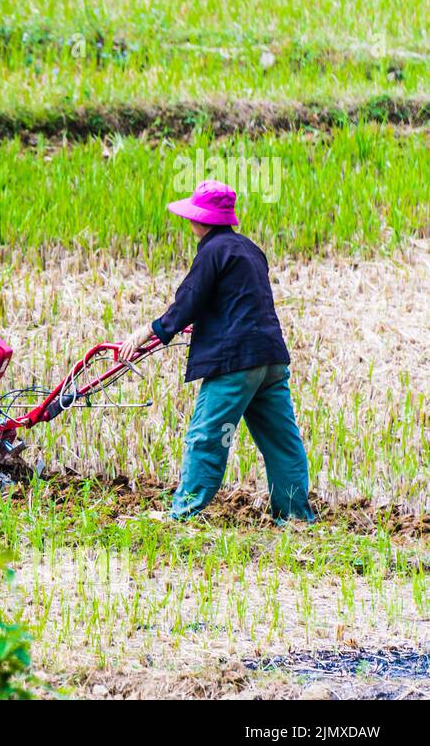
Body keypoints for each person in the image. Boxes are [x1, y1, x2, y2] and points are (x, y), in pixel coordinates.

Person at [118, 179, 313, 523]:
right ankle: (296, 515)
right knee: (283, 443)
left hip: (236, 365)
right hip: (270, 360)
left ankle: (183, 511)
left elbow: (188, 301)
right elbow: (238, 301)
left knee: (207, 437)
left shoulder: (212, 251)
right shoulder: (250, 249)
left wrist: (148, 330)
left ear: (200, 219)